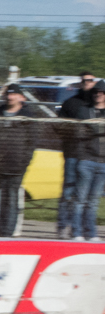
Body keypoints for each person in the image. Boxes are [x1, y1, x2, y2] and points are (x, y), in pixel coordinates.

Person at [0, 87, 42, 237]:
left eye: (14, 94)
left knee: (10, 200)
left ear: (21, 97)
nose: (10, 97)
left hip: (15, 166)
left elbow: (32, 143)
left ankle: (6, 234)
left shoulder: (28, 117)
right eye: (8, 94)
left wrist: (24, 162)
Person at [56, 72, 100, 238]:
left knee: (88, 195)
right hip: (73, 153)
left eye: (91, 80)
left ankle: (82, 228)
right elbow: (58, 126)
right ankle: (63, 226)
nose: (87, 83)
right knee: (69, 190)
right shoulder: (70, 103)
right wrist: (75, 132)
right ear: (80, 83)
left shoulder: (98, 104)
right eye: (84, 80)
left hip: (92, 156)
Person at [64, 84, 105, 242]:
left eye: (101, 92)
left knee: (93, 201)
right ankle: (77, 232)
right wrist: (82, 157)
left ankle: (91, 233)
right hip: (87, 161)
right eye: (96, 92)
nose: (98, 94)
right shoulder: (84, 111)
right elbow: (78, 136)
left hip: (103, 163)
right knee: (80, 199)